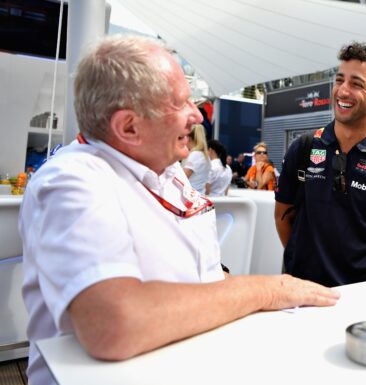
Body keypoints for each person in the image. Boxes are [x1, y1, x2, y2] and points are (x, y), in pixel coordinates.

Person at [18, 35, 340, 385]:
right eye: (181, 102)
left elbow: (200, 275)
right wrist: (268, 290)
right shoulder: (72, 182)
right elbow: (115, 324)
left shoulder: (166, 169)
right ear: (129, 127)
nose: (197, 115)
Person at [274, 42, 366, 287]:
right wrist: (304, 264)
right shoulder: (303, 148)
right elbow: (282, 217)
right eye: (339, 80)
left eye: (356, 84)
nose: (343, 91)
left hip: (364, 301)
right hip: (303, 294)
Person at [182, 124, 211, 194]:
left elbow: (183, 178)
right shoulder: (205, 156)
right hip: (199, 195)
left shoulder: (194, 155)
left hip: (190, 197)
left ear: (189, 138)